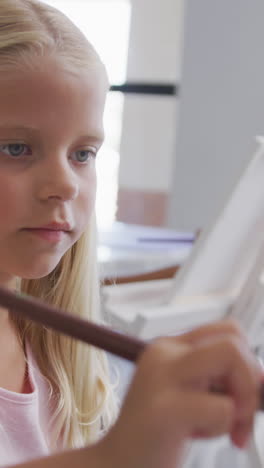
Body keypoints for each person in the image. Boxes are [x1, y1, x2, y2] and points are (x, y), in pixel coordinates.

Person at [0, 1, 262, 467]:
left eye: (83, 154)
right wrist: (115, 455)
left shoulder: (55, 348)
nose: (66, 184)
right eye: (16, 147)